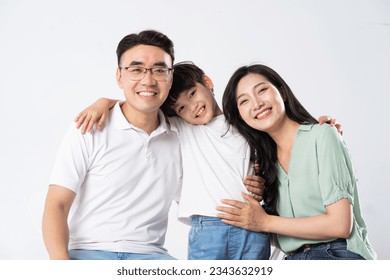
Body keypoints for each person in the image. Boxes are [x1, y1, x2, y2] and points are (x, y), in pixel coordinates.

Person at [75, 62, 270, 260]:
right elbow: (138, 109)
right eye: (182, 108)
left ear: (207, 82)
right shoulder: (183, 127)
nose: (193, 108)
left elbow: (261, 166)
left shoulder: (244, 123)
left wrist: (260, 183)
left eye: (193, 94)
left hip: (252, 226)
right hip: (209, 228)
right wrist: (103, 102)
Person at [42, 30, 182, 260]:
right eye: (136, 70)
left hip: (151, 256)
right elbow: (56, 205)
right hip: (88, 251)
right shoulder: (88, 127)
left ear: (171, 77)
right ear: (119, 77)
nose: (148, 80)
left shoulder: (181, 136)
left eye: (159, 70)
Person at [217, 64, 377, 260]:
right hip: (294, 258)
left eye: (262, 90)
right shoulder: (264, 165)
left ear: (282, 92)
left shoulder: (323, 135)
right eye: (244, 101)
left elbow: (340, 225)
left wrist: (264, 221)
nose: (257, 104)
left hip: (337, 254)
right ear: (240, 116)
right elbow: (284, 234)